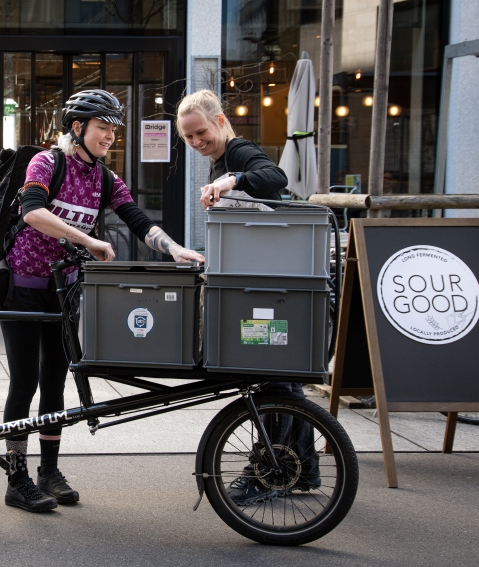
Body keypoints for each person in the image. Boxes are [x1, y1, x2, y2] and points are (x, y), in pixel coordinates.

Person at [0, 89, 204, 512]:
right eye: (102, 129)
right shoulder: (46, 162)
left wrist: (174, 249)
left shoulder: (105, 179)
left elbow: (138, 219)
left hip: (63, 293)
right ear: (78, 128)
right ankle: (16, 477)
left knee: (56, 381)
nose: (110, 137)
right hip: (22, 288)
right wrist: (87, 238)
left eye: (114, 131)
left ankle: (48, 472)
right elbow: (32, 213)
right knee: (25, 383)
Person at [176, 89, 319, 505]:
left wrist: (232, 178)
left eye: (201, 131)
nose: (198, 141)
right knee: (282, 376)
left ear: (220, 121)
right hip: (269, 281)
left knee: (273, 377)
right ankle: (303, 469)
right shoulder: (221, 158)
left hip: (273, 285)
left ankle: (266, 471)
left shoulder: (238, 151)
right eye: (189, 137)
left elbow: (276, 178)